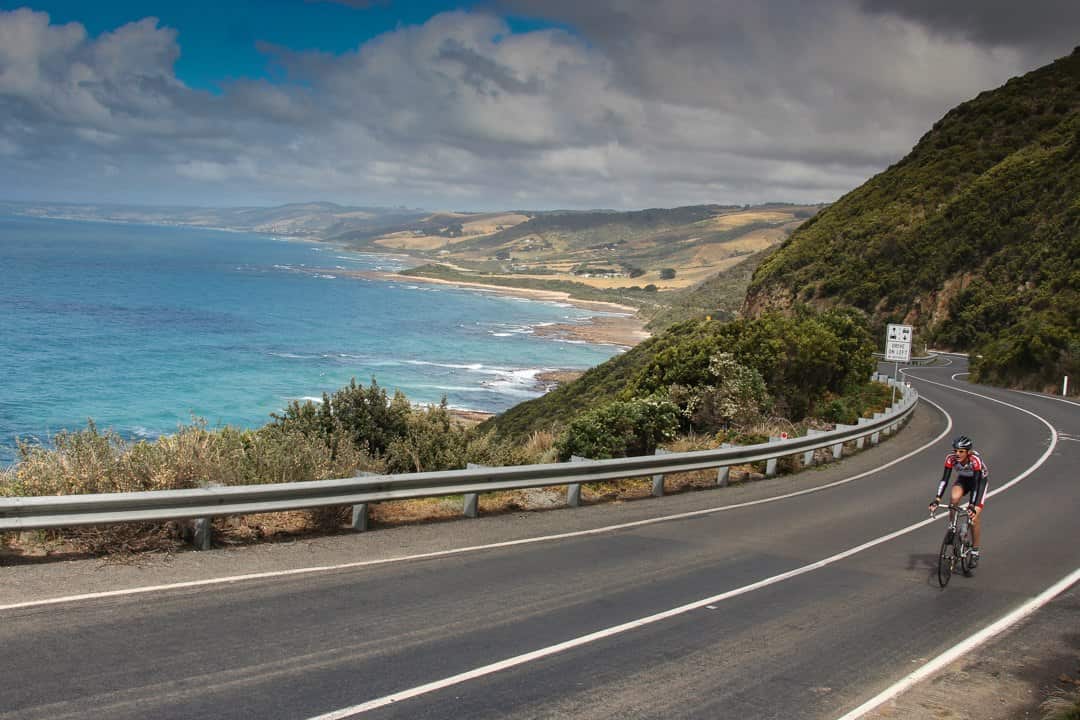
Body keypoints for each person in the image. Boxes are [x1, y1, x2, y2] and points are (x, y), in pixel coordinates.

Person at [929, 435, 989, 567]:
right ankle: (953, 527)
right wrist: (937, 499)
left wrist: (972, 505)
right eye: (955, 450)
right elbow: (945, 479)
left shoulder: (975, 460)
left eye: (961, 451)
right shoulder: (950, 459)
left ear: (968, 452)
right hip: (963, 479)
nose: (957, 454)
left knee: (974, 517)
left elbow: (976, 483)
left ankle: (975, 551)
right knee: (954, 498)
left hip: (978, 482)